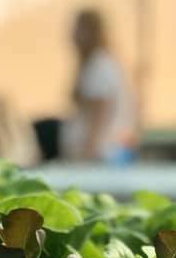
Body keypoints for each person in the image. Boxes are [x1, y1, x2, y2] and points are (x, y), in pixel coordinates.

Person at [35, 9, 135, 163]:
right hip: (90, 148)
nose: (72, 34)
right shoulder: (94, 63)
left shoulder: (99, 65)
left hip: (98, 151)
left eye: (78, 28)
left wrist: (88, 154)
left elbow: (100, 113)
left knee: (43, 129)